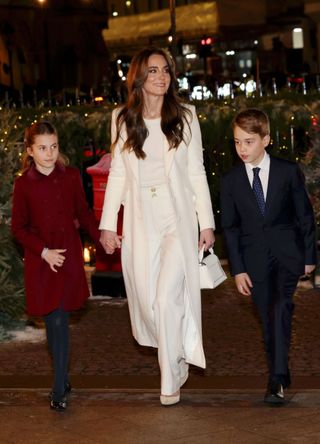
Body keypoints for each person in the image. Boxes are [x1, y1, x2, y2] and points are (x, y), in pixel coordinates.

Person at [99, 47, 215, 405]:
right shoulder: (122, 118)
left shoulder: (186, 117)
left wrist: (206, 223)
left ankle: (170, 379)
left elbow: (196, 172)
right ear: (138, 78)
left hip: (175, 217)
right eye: (153, 71)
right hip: (140, 219)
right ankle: (174, 355)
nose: (162, 76)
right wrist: (107, 224)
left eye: (166, 70)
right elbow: (117, 174)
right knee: (149, 301)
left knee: (166, 297)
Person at [220, 108, 317, 404]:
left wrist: (310, 256)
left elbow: (305, 216)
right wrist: (237, 269)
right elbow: (231, 228)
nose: (242, 149)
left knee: (281, 309)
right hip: (254, 261)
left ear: (266, 140)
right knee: (268, 318)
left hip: (287, 255)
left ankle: (275, 380)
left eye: (249, 142)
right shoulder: (231, 180)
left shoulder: (288, 172)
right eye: (237, 142)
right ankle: (280, 368)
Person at [11, 121, 102, 412]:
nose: (49, 153)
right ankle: (62, 374)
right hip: (42, 264)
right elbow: (19, 228)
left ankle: (58, 388)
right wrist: (43, 251)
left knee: (61, 321)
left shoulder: (71, 177)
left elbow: (84, 213)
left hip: (69, 260)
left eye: (54, 146)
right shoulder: (24, 184)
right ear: (30, 151)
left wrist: (104, 239)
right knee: (52, 325)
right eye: (42, 148)